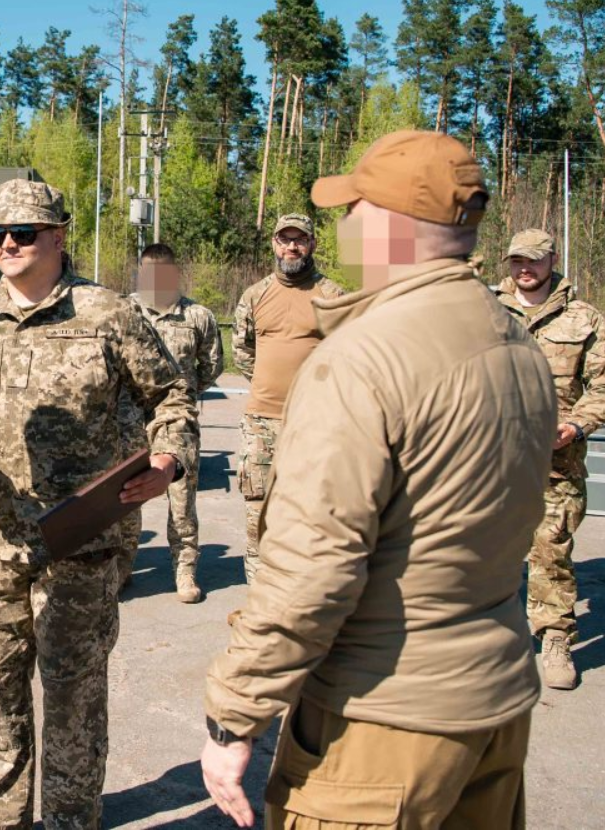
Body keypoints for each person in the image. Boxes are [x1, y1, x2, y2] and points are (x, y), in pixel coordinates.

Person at [201, 131, 557, 829]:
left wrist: (233, 712)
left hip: (382, 726)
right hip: (492, 706)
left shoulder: (366, 359)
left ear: (389, 223)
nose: (345, 228)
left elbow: (313, 566)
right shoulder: (513, 339)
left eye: (353, 209)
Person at [0, 179, 197, 829]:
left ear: (57, 235)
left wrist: (166, 461)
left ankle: (70, 817)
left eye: (23, 232)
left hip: (84, 534)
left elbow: (170, 398)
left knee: (73, 691)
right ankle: (0, 818)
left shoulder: (107, 315)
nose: (8, 245)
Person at [495, 228, 605, 691]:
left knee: (550, 552)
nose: (525, 269)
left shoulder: (585, 318)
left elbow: (602, 386)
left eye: (534, 261)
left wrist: (578, 425)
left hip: (554, 461)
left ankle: (556, 637)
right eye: (518, 260)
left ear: (552, 261)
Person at [232, 215, 343, 582]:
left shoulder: (333, 295)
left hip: (315, 424)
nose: (291, 247)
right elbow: (243, 351)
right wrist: (269, 383)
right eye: (285, 240)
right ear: (274, 245)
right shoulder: (254, 295)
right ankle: (259, 603)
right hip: (262, 423)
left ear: (312, 244)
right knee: (257, 515)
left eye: (300, 240)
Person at [118, 243, 223, 602]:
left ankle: (185, 570)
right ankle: (123, 567)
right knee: (126, 499)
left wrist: (183, 395)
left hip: (177, 422)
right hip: (130, 420)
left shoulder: (198, 317)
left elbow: (210, 368)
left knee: (181, 499)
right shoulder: (124, 311)